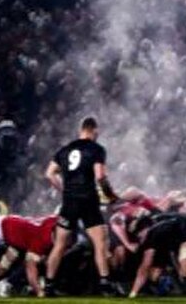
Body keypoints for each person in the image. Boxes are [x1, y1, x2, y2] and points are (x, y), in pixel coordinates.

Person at [43, 117, 117, 297]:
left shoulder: (65, 149)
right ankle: (105, 284)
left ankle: (49, 285)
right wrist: (109, 195)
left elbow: (49, 173)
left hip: (69, 201)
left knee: (59, 245)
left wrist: (64, 189)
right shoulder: (96, 149)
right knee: (100, 243)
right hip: (88, 200)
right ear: (94, 130)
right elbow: (100, 176)